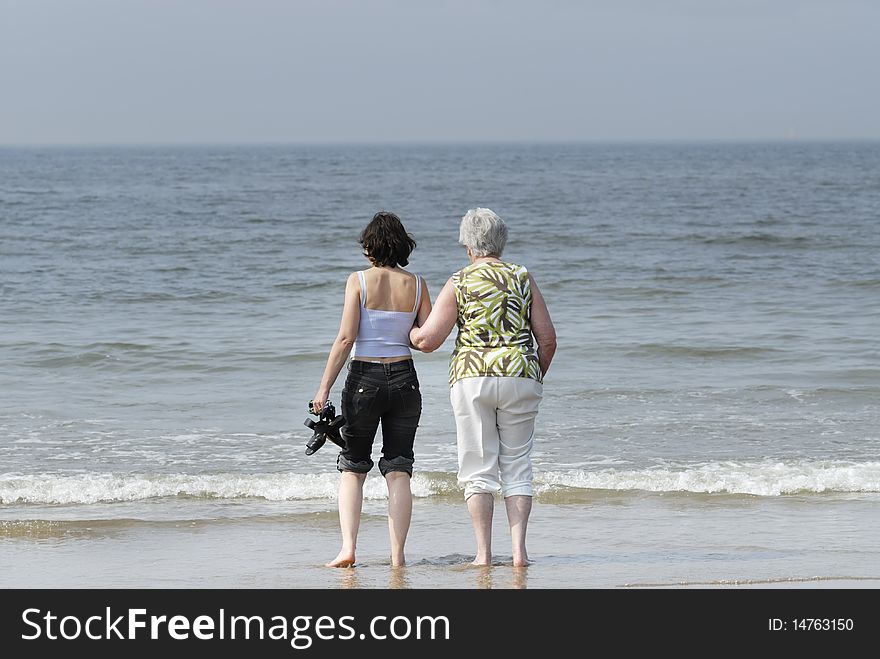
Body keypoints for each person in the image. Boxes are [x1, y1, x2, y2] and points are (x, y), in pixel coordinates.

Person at [410, 207, 556, 567]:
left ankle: (484, 555)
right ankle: (520, 553)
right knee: (518, 465)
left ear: (468, 246)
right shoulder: (523, 277)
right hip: (520, 374)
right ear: (501, 242)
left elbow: (429, 340)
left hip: (472, 377)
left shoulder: (460, 281)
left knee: (478, 467)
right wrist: (533, 373)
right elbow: (548, 340)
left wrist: (410, 333)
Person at [313, 211, 431, 568]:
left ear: (370, 247)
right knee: (399, 469)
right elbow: (425, 339)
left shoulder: (359, 281)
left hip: (364, 379)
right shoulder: (418, 284)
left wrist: (323, 389)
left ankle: (348, 549)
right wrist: (403, 333)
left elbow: (347, 337)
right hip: (405, 379)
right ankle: (397, 557)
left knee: (353, 468)